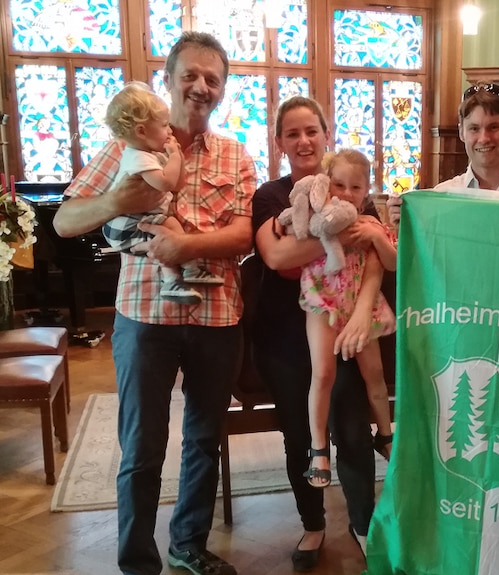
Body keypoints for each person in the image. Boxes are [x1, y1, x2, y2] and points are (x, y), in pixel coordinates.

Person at [53, 31, 256, 575]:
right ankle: (136, 561)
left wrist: (185, 246)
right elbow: (65, 220)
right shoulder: (125, 148)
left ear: (222, 91)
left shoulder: (236, 155)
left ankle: (187, 544)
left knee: (204, 438)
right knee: (142, 445)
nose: (200, 86)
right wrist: (120, 196)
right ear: (167, 81)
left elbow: (243, 237)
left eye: (212, 78)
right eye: (189, 74)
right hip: (143, 318)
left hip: (217, 317)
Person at [251, 96, 382, 571]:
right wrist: (339, 234)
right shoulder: (272, 195)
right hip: (285, 336)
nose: (303, 140)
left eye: (312, 130)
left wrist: (365, 308)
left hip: (343, 324)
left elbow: (374, 259)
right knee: (299, 434)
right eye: (292, 133)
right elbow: (278, 257)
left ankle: (364, 524)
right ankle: (313, 523)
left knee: (352, 426)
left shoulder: (350, 191)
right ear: (280, 142)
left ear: (326, 135)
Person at [285, 149, 397, 488]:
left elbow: (393, 263)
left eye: (356, 187)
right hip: (323, 300)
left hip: (360, 305)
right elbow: (292, 237)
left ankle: (386, 433)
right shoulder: (320, 221)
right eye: (339, 185)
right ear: (325, 184)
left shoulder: (370, 224)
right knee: (323, 373)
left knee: (375, 374)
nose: (346, 193)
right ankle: (318, 448)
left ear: (366, 191)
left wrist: (378, 236)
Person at [101, 81, 224, 305]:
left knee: (172, 228)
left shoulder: (151, 154)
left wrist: (174, 157)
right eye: (164, 125)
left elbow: (178, 184)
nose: (169, 131)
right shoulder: (137, 156)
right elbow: (165, 183)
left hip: (140, 219)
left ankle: (189, 269)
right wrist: (176, 156)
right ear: (141, 131)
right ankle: (171, 281)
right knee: (165, 237)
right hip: (125, 226)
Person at [386, 82, 499, 224]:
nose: (484, 138)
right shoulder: (441, 199)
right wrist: (406, 223)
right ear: (461, 133)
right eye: (474, 128)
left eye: (493, 127)